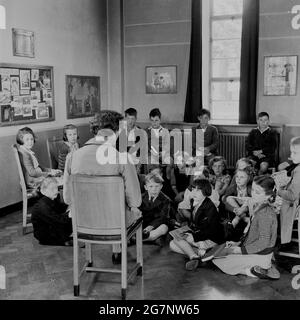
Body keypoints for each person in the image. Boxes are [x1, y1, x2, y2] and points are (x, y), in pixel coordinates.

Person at [63, 110, 142, 264]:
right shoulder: (121, 159)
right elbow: (135, 201)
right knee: (130, 209)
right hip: (115, 223)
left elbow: (67, 198)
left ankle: (92, 261)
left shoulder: (72, 157)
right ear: (115, 132)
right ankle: (119, 252)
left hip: (83, 222)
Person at [212, 175, 280, 279]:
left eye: (257, 192)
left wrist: (239, 250)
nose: (253, 194)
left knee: (220, 261)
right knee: (222, 255)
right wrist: (238, 243)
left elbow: (263, 242)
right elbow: (250, 234)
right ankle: (260, 267)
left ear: (268, 196)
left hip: (261, 255)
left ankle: (255, 271)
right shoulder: (259, 207)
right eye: (252, 190)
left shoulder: (265, 214)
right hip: (257, 251)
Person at [170, 179, 224, 270]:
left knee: (177, 241)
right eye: (193, 189)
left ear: (206, 191)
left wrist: (194, 236)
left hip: (210, 238)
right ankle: (199, 255)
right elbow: (195, 223)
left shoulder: (210, 207)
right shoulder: (193, 202)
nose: (194, 192)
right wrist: (188, 231)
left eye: (198, 190)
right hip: (200, 235)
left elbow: (211, 230)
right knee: (172, 244)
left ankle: (194, 255)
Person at [31, 177, 72, 246]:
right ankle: (65, 240)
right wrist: (69, 214)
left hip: (52, 227)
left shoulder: (51, 198)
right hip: (47, 235)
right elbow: (58, 220)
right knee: (71, 219)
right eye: (52, 189)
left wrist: (70, 205)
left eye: (57, 188)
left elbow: (61, 208)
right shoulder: (42, 206)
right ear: (43, 191)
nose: (56, 191)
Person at [278, 136, 300, 245]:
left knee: (268, 205)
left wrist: (279, 191)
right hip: (295, 201)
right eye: (292, 152)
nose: (291, 156)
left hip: (294, 206)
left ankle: (281, 241)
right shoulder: (296, 167)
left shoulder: (299, 171)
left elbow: (292, 196)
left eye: (295, 153)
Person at [139, 172, 170, 247]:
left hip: (156, 224)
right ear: (146, 187)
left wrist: (151, 226)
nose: (154, 189)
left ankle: (138, 240)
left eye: (157, 186)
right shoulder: (141, 198)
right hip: (144, 224)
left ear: (161, 186)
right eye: (151, 186)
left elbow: (163, 217)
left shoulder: (165, 200)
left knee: (164, 228)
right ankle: (152, 239)